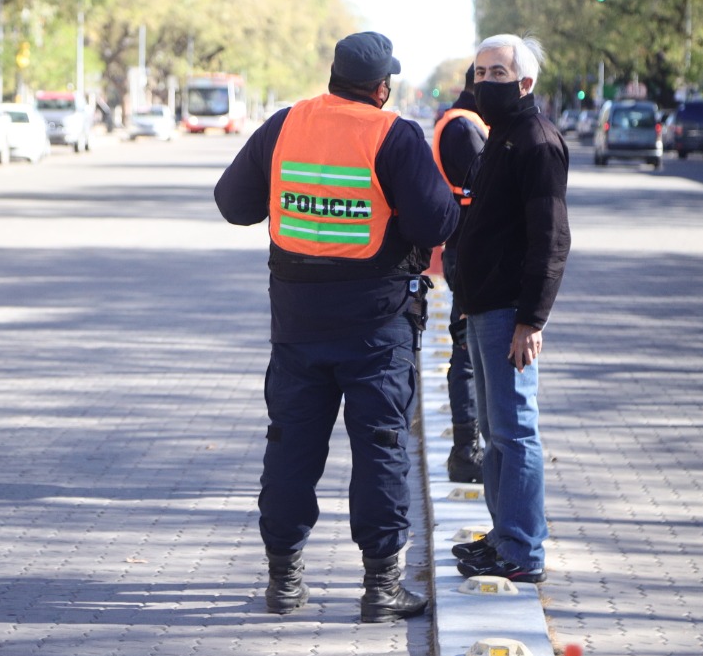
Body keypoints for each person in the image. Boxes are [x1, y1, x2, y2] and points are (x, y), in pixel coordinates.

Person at [214, 31, 459, 622]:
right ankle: (380, 588)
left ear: (333, 75)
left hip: (297, 324)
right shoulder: (393, 134)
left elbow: (234, 204)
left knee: (291, 446)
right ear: (382, 86)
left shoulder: (285, 124)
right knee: (379, 449)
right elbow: (436, 224)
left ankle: (285, 581)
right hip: (376, 328)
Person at [451, 34, 570, 584]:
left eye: (497, 73)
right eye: (479, 73)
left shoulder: (537, 142)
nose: (484, 83)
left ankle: (524, 549)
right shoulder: (501, 137)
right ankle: (503, 536)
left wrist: (532, 319)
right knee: (496, 433)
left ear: (526, 82)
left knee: (516, 432)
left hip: (509, 314)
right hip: (481, 308)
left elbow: (550, 239)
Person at [431, 65, 489, 483]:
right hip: (469, 254)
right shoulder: (465, 129)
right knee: (467, 356)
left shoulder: (468, 123)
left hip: (468, 251)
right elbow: (488, 194)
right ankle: (465, 451)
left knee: (471, 353)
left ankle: (468, 448)